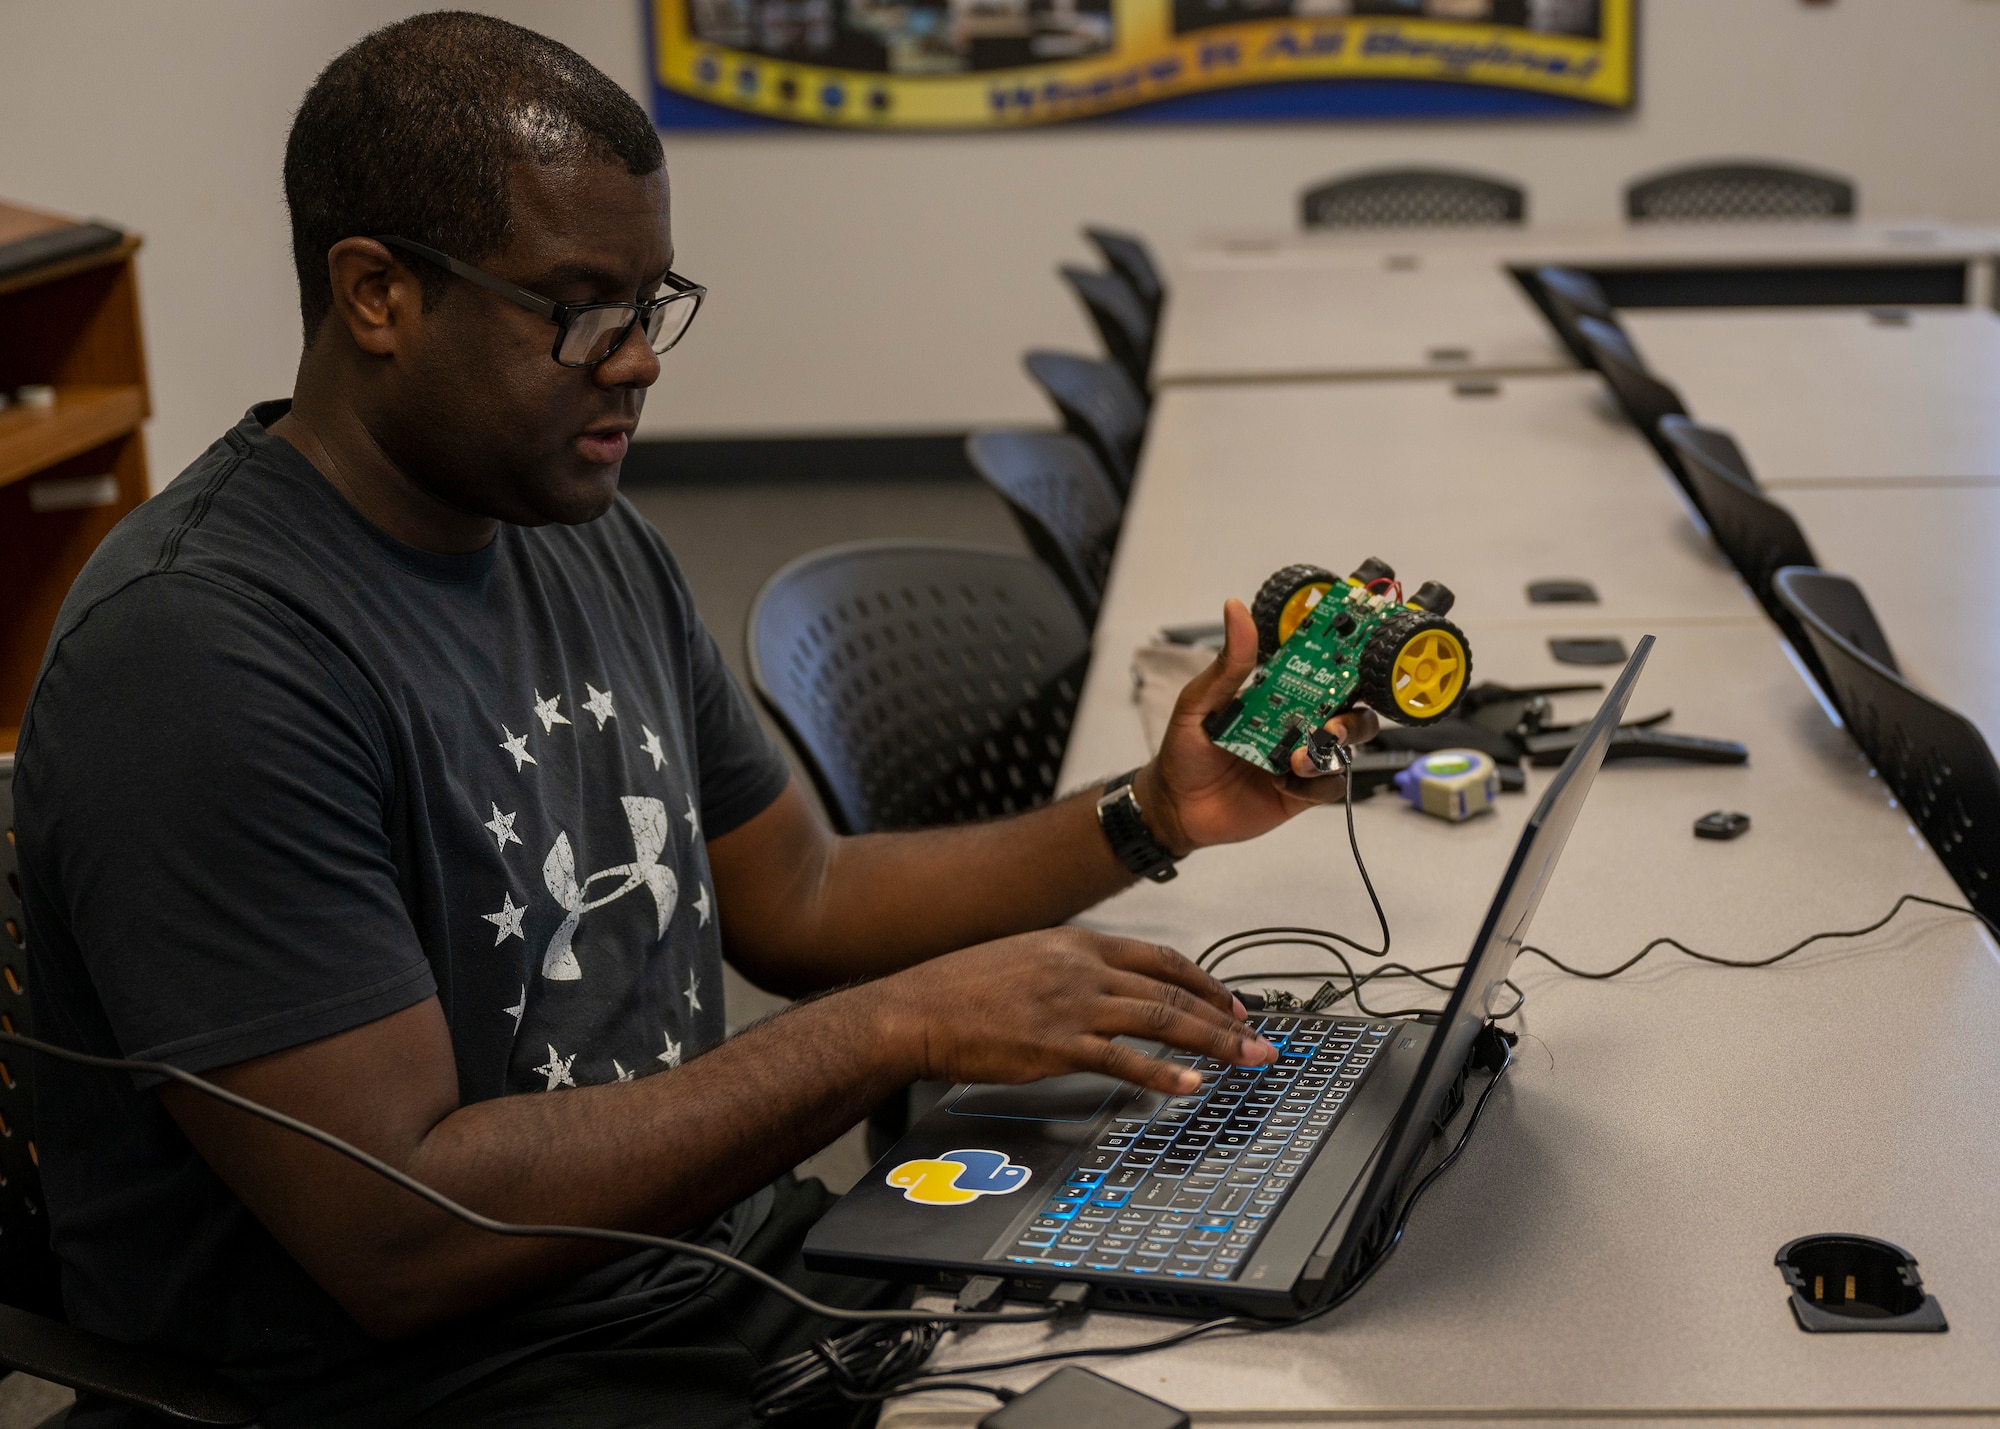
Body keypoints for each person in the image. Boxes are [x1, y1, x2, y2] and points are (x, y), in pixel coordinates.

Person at [13, 13, 1375, 1427]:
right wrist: (893, 1029)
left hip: (689, 1288)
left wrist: (1150, 814)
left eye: (652, 304)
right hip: (442, 1383)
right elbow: (405, 1232)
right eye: (581, 309)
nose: (639, 361)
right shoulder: (201, 658)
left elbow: (801, 891)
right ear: (376, 294)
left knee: (1270, 1318)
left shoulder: (573, 526)